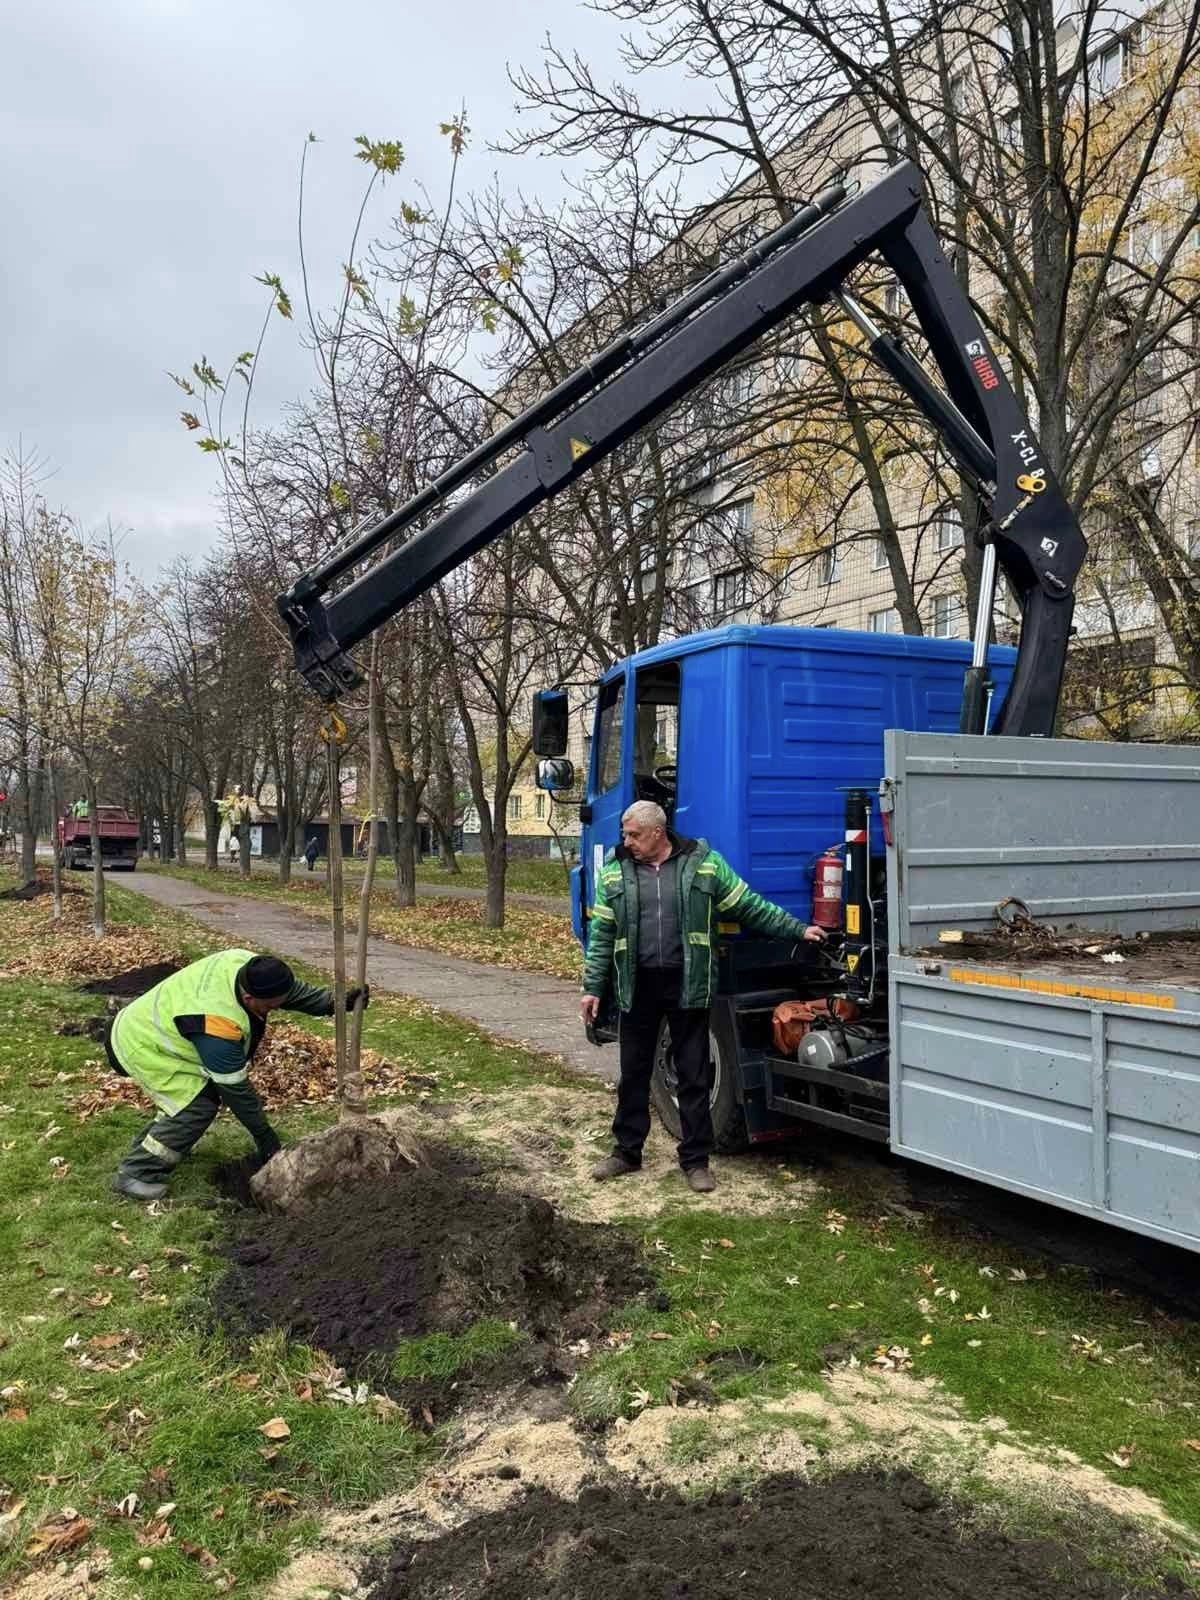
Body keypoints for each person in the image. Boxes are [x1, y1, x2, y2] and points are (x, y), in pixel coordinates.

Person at [581, 801, 825, 1193]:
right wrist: (592, 987)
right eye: (625, 835)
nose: (626, 842)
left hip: (688, 986)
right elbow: (601, 938)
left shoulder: (705, 865)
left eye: (634, 835)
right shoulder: (616, 872)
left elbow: (749, 906)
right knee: (634, 1075)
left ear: (658, 832)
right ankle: (626, 1153)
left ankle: (695, 1161)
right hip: (637, 986)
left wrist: (797, 930)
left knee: (694, 1076)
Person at [106, 950, 368, 1201]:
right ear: (248, 999)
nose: (273, 1009)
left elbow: (289, 992)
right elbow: (236, 1092)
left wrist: (334, 1001)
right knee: (197, 1106)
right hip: (144, 1044)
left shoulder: (246, 965)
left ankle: (157, 1144)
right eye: (268, 1007)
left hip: (162, 1027)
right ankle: (137, 1173)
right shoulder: (218, 1027)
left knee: (183, 1104)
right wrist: (264, 1136)